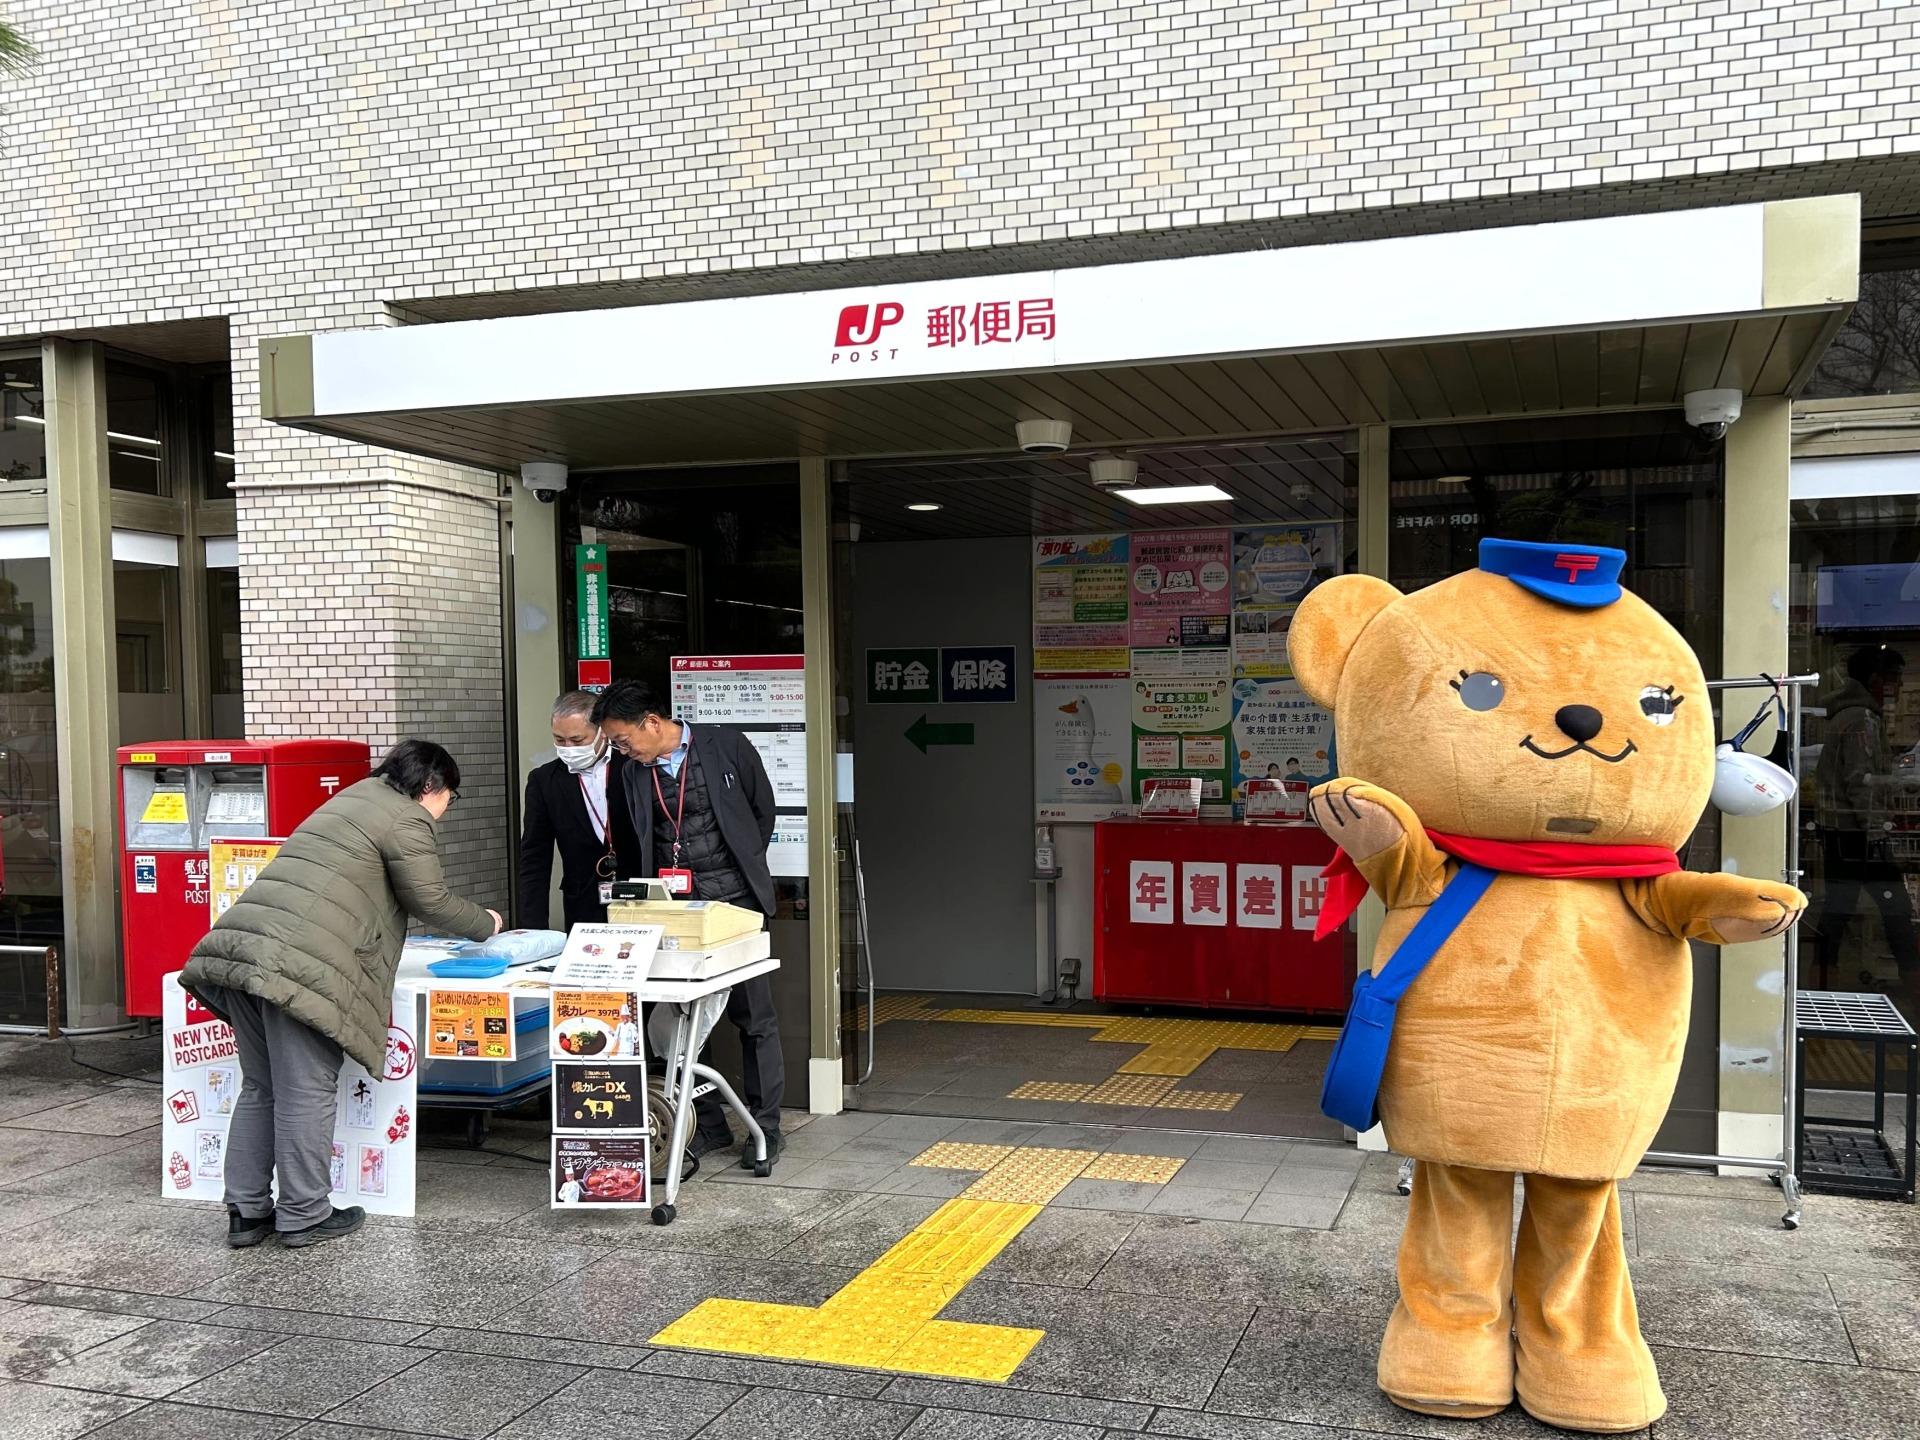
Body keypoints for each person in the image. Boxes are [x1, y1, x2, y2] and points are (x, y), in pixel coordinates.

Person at [181, 740, 501, 1249]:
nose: (444, 812)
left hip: (239, 951)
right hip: (299, 967)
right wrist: (487, 923)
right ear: (430, 787)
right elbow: (429, 899)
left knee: (262, 1087)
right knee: (304, 1091)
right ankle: (305, 1214)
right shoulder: (406, 816)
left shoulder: (351, 799)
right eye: (450, 799)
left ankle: (246, 1211)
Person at [592, 678, 784, 1166]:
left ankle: (766, 1129)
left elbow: (762, 815)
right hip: (672, 913)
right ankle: (709, 1124)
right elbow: (639, 837)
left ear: (652, 723)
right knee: (684, 1020)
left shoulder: (728, 746)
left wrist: (736, 870)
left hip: (736, 907)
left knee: (753, 1017)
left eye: (621, 738)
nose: (621, 749)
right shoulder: (632, 771)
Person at [1811, 645, 1918, 1013]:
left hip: (1843, 828)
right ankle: (1912, 990)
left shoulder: (1851, 714)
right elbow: (1860, 781)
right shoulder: (1860, 719)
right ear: (1876, 681)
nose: (1898, 688)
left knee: (1839, 911)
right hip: (1857, 832)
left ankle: (1820, 986)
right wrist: (1877, 832)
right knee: (1896, 910)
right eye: (1894, 680)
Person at [519, 690, 639, 930]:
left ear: (601, 732)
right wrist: (533, 928)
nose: (568, 747)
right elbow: (535, 856)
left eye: (577, 740)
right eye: (559, 740)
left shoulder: (634, 767)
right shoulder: (545, 780)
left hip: (639, 895)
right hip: (583, 900)